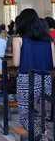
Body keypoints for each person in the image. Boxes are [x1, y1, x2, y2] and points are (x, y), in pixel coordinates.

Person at [13, 9, 55, 138]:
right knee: (41, 111)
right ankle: (42, 131)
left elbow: (16, 63)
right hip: (45, 81)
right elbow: (53, 64)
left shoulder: (18, 40)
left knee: (26, 113)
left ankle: (38, 134)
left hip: (27, 80)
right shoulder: (49, 41)